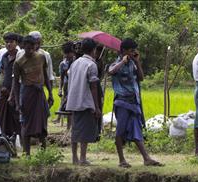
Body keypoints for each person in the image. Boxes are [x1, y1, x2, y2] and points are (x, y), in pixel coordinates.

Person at [108, 38, 161, 167]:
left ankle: (146, 158)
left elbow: (141, 78)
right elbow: (111, 71)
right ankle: (121, 160)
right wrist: (122, 62)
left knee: (136, 129)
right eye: (132, 51)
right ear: (124, 51)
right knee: (120, 131)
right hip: (122, 102)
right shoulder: (116, 63)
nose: (134, 53)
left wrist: (137, 62)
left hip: (133, 101)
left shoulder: (133, 63)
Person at [11, 36, 53, 156]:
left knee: (42, 122)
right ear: (23, 47)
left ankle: (43, 152)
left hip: (40, 93)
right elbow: (16, 83)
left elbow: (45, 75)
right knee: (26, 123)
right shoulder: (18, 62)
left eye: (32, 48)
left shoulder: (41, 57)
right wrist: (18, 103)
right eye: (27, 48)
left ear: (35, 46)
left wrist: (50, 93)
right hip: (27, 93)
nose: (29, 51)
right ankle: (26, 153)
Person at [66, 39, 101, 165]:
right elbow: (93, 86)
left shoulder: (75, 63)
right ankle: (82, 158)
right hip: (85, 101)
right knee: (84, 131)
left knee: (75, 130)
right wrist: (96, 107)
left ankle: (74, 157)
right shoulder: (91, 65)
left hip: (74, 100)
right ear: (93, 50)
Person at [0, 33, 22, 143]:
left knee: (16, 118)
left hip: (16, 92)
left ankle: (21, 141)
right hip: (4, 91)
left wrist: (12, 94)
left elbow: (16, 78)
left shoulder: (19, 56)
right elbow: (3, 73)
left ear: (16, 43)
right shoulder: (4, 56)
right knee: (4, 118)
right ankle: (7, 141)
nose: (9, 44)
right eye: (7, 42)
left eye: (11, 42)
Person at [57, 42, 76, 126]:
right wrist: (60, 89)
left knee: (75, 107)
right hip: (67, 86)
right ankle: (68, 126)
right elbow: (61, 78)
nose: (68, 55)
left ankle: (74, 126)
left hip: (75, 86)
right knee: (68, 107)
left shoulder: (77, 61)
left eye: (69, 53)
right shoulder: (63, 64)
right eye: (66, 53)